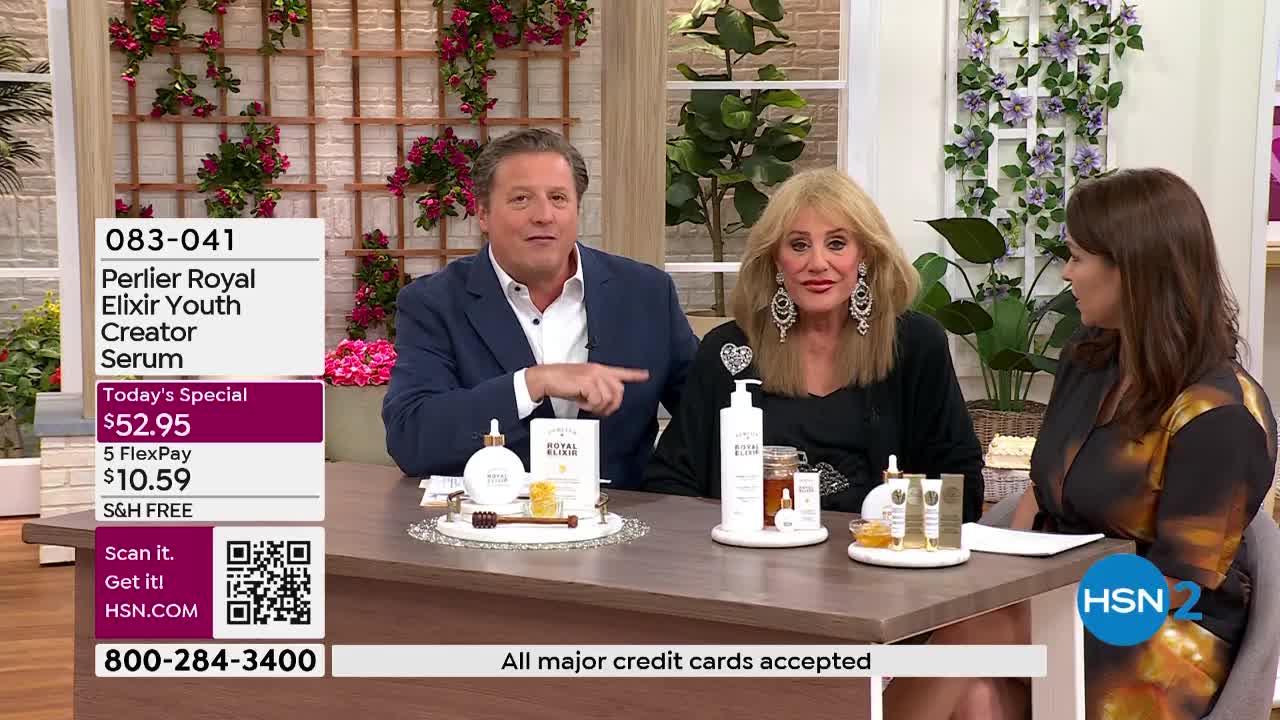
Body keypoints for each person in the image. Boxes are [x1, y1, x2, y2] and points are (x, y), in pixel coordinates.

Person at [884, 168, 1277, 720]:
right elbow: (1040, 496)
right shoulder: (1090, 357)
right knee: (976, 695)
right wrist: (996, 578)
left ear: (1133, 271)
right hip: (1058, 599)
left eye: (1078, 257)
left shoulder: (1219, 414)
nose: (1067, 273)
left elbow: (1180, 585)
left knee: (978, 626)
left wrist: (1037, 603)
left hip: (1160, 633)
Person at [643, 167, 985, 521]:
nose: (817, 263)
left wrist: (884, 530)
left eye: (837, 243)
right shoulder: (727, 350)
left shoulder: (915, 344)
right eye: (799, 245)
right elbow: (669, 481)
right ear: (777, 258)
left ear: (864, 255)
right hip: (751, 563)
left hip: (880, 561)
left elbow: (961, 488)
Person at [382, 128, 698, 489]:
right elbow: (411, 437)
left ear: (577, 208)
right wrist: (533, 383)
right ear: (483, 213)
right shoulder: (434, 304)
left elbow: (707, 417)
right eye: (521, 199)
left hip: (621, 528)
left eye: (559, 198)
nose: (544, 215)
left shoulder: (646, 294)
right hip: (488, 529)